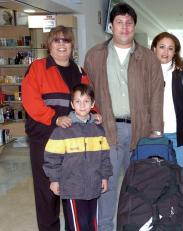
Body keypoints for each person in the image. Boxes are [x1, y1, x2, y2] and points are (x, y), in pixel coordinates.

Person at [84, 2, 164, 230]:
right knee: (105, 185)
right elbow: (86, 91)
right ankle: (106, 227)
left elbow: (157, 94)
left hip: (139, 130)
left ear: (135, 27)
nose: (124, 27)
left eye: (129, 23)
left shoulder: (148, 57)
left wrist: (156, 131)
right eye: (119, 22)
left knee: (137, 185)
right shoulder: (95, 55)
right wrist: (89, 119)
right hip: (106, 129)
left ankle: (133, 225)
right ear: (111, 26)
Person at [22, 25, 95, 231]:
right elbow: (30, 101)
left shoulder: (80, 72)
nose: (61, 44)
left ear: (72, 45)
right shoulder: (37, 68)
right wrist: (54, 118)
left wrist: (94, 113)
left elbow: (87, 99)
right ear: (49, 45)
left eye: (66, 40)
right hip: (45, 141)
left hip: (72, 144)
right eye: (57, 40)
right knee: (47, 196)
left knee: (71, 194)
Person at [43, 84, 113, 231]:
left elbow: (105, 157)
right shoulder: (62, 131)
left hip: (93, 186)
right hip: (72, 188)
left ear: (93, 104)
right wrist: (54, 180)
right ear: (72, 104)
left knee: (91, 224)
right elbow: (51, 158)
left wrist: (104, 177)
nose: (82, 105)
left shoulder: (98, 130)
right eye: (78, 101)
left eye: (86, 101)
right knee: (78, 226)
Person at [151, 32, 183, 167]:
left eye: (170, 48)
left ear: (175, 52)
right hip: (153, 135)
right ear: (154, 49)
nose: (165, 52)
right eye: (162, 47)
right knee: (157, 176)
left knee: (180, 176)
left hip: (179, 135)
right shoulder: (145, 73)